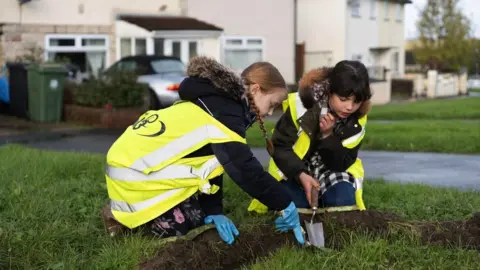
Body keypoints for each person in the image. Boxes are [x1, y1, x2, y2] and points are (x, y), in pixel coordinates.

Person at [102, 56, 305, 245]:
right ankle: (129, 220)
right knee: (185, 230)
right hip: (133, 178)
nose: (269, 112)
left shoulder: (214, 101)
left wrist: (213, 210)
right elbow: (245, 170)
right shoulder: (225, 113)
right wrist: (285, 203)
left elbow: (212, 162)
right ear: (255, 90)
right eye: (272, 104)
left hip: (131, 169)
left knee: (201, 219)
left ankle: (131, 214)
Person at [248, 60, 372, 213]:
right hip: (294, 170)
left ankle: (322, 199)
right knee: (294, 205)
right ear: (329, 90)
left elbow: (343, 163)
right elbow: (279, 147)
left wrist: (328, 136)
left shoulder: (356, 120)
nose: (350, 107)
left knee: (342, 202)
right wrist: (300, 174)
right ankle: (309, 199)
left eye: (357, 101)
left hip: (332, 170)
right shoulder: (300, 106)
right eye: (343, 99)